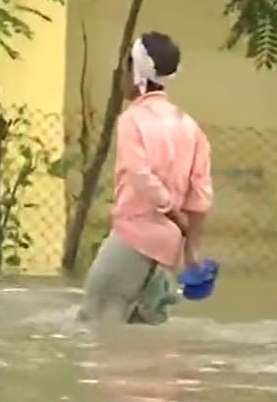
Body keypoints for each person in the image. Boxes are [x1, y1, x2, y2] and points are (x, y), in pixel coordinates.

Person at [80, 31, 213, 325]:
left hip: (132, 238)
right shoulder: (190, 127)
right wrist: (191, 251)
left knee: (96, 321)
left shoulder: (132, 120)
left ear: (135, 71)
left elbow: (140, 174)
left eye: (126, 67)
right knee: (145, 334)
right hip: (168, 250)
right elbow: (201, 196)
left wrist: (170, 210)